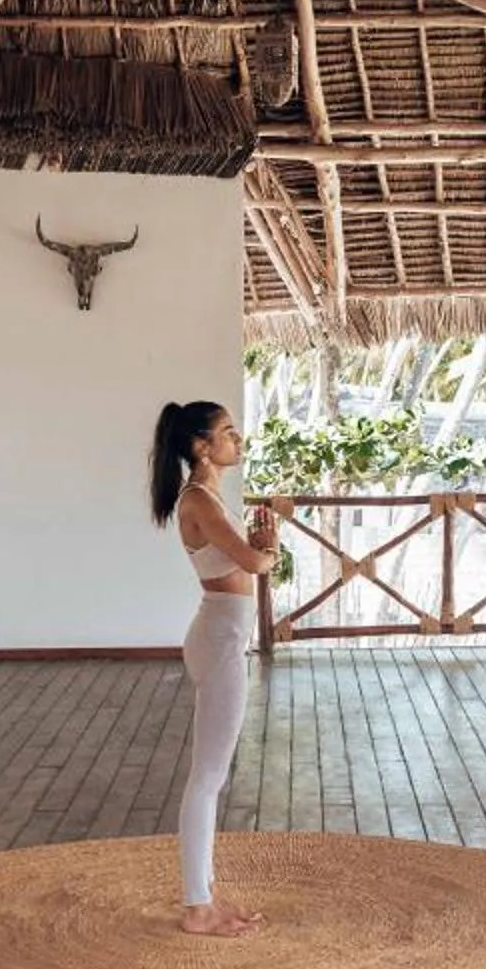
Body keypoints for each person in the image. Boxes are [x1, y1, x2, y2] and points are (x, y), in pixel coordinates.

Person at [150, 400, 277, 937]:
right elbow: (254, 563)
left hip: (220, 631)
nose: (237, 440)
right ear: (202, 447)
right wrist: (267, 548)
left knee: (211, 777)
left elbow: (245, 559)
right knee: (207, 779)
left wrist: (260, 549)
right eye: (228, 432)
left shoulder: (208, 497)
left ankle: (203, 892)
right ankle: (196, 906)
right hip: (221, 638)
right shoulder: (200, 499)